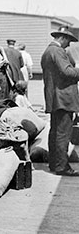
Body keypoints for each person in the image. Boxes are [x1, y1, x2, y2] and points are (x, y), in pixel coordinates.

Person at [41, 26, 79, 176]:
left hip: (55, 98)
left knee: (55, 132)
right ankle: (62, 167)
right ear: (62, 38)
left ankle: (54, 163)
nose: (69, 45)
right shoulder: (57, 51)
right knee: (63, 133)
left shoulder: (48, 51)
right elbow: (67, 72)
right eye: (68, 41)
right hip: (64, 98)